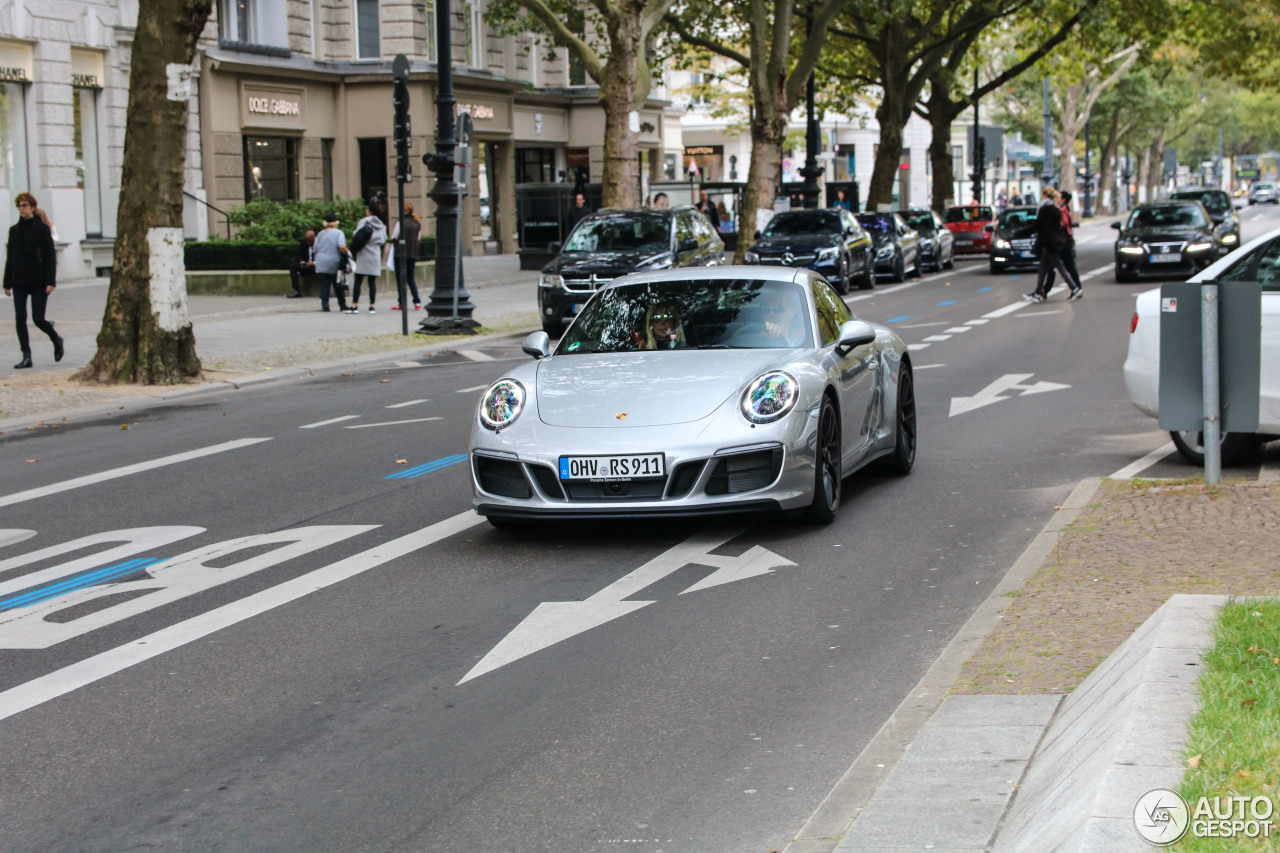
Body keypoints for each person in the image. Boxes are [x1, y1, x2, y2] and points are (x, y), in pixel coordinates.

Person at [4, 192, 61, 369]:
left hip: (38, 280)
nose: (22, 209)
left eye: (25, 206)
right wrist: (6, 282)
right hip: (19, 280)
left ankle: (56, 338)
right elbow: (10, 257)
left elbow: (50, 257)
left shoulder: (42, 229)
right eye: (19, 206)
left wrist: (50, 281)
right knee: (20, 318)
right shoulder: (14, 230)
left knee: (38, 319)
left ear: (33, 208)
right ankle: (26, 355)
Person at [1024, 187, 1080, 303]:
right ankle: (1038, 293)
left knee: (1061, 267)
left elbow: (1043, 225)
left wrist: (1021, 232)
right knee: (1044, 268)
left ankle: (1074, 288)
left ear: (1045, 195)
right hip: (1053, 242)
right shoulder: (1054, 208)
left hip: (1052, 243)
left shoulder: (1046, 208)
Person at [348, 201, 387, 314]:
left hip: (364, 253)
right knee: (372, 282)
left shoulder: (364, 222)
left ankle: (355, 305)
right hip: (375, 254)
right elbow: (384, 239)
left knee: (358, 280)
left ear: (370, 211)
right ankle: (372, 306)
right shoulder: (381, 224)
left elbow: (356, 235)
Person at [312, 213, 350, 313]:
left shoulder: (320, 234)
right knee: (338, 285)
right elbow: (341, 246)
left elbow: (315, 249)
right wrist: (348, 254)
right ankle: (342, 305)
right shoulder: (339, 233)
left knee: (324, 285)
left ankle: (325, 305)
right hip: (334, 262)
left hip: (321, 262)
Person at [389, 202, 423, 311]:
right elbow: (418, 238)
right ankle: (417, 301)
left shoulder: (401, 222)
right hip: (412, 253)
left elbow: (394, 236)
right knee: (410, 277)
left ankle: (402, 302)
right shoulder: (417, 222)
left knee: (400, 278)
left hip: (401, 253)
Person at [288, 229, 316, 298]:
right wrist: (302, 262)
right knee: (293, 266)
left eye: (310, 241)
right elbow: (299, 255)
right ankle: (297, 290)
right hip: (306, 265)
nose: (308, 243)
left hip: (315, 265)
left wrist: (313, 263)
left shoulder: (319, 243)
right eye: (307, 240)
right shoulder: (303, 243)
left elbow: (323, 256)